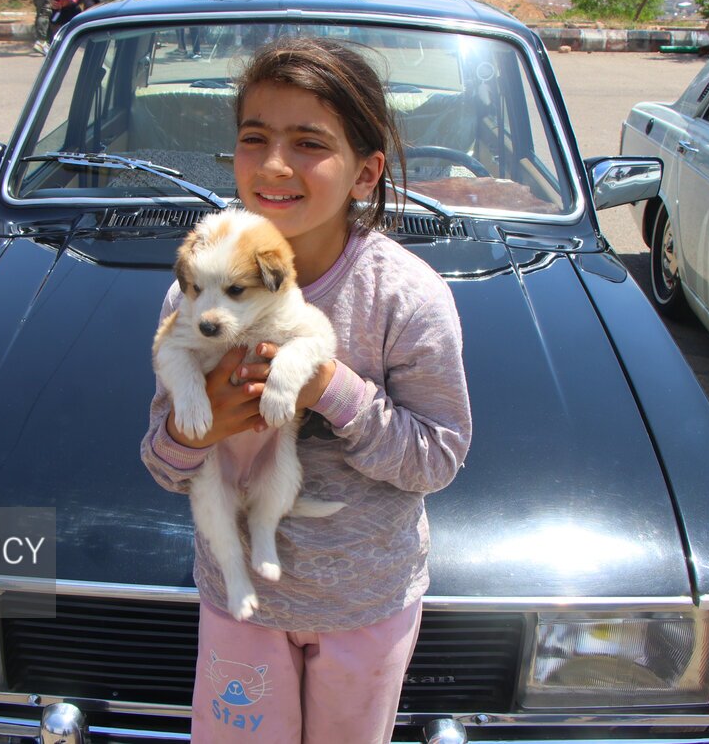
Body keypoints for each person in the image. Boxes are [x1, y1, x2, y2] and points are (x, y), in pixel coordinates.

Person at [139, 38, 471, 743]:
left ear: (365, 171)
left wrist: (331, 387)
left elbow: (438, 458)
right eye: (253, 138)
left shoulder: (407, 296)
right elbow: (164, 463)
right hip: (241, 604)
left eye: (310, 143)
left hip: (366, 603)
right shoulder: (198, 290)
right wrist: (193, 433)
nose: (275, 164)